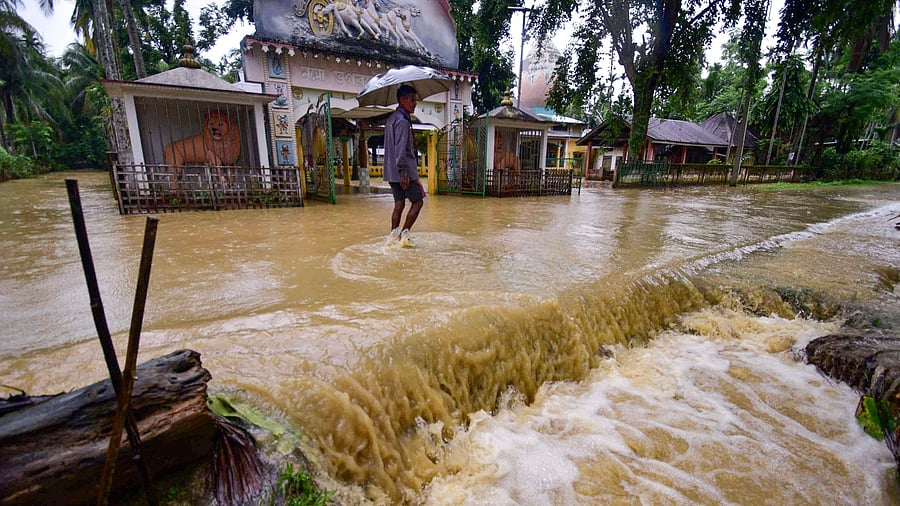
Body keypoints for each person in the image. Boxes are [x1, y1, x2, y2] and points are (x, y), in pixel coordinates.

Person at [383, 84, 424, 244]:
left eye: (415, 100)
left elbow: (395, 146)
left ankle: (393, 236)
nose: (415, 104)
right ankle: (404, 235)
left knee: (398, 204)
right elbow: (400, 150)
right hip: (404, 171)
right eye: (412, 100)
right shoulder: (402, 122)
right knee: (418, 202)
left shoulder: (392, 119)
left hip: (392, 172)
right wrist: (404, 174)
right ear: (402, 100)